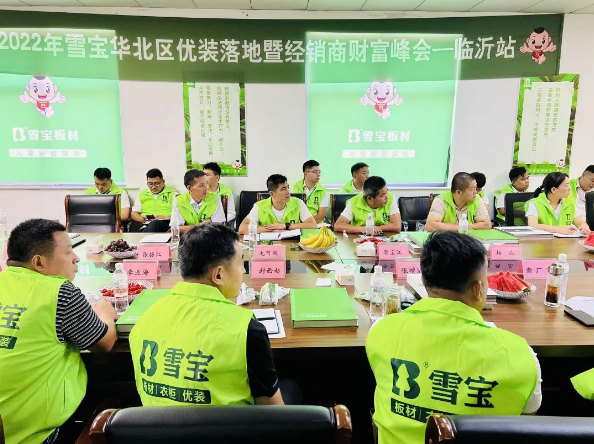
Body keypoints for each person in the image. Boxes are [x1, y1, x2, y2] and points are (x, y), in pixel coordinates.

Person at [366, 231, 542, 444]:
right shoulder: (521, 356)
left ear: (423, 280)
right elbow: (525, 425)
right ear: (478, 289)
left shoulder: (381, 330)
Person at [129, 224, 284, 406]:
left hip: (155, 424)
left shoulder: (146, 319)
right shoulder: (246, 329)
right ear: (218, 275)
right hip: (230, 425)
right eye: (241, 263)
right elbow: (273, 410)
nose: (243, 271)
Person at [0, 219, 116, 444]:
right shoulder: (60, 292)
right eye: (68, 251)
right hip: (37, 435)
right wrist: (106, 313)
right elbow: (104, 343)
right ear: (39, 262)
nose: (76, 258)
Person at [238, 174, 316, 234]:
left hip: (292, 243)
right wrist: (271, 229)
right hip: (268, 244)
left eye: (288, 187)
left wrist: (285, 226)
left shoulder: (298, 202)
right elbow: (242, 229)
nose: (288, 192)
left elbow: (312, 225)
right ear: (272, 193)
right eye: (283, 189)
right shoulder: (259, 206)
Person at [525, 172, 590, 235]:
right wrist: (559, 229)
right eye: (566, 186)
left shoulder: (569, 203)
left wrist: (584, 226)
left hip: (565, 241)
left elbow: (580, 222)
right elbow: (533, 225)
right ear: (553, 190)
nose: (570, 189)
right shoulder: (535, 203)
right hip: (543, 241)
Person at [426, 172, 491, 232]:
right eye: (472, 189)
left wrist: (466, 226)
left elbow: (487, 224)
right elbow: (430, 226)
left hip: (467, 238)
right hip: (446, 239)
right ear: (459, 192)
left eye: (476, 189)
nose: (476, 192)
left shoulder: (477, 199)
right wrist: (464, 227)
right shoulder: (441, 200)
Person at [334, 176, 401, 234]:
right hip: (360, 238)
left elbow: (397, 226)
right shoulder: (353, 202)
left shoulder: (391, 198)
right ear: (369, 198)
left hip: (386, 238)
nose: (387, 197)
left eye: (386, 192)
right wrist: (363, 229)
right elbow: (338, 226)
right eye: (382, 195)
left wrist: (374, 229)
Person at [171, 169, 226, 234]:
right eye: (201, 185)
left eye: (207, 183)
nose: (206, 188)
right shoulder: (179, 201)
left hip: (210, 236)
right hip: (188, 237)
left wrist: (188, 228)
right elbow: (176, 229)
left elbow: (219, 225)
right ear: (189, 188)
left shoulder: (215, 198)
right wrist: (204, 223)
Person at [130, 168, 178, 232]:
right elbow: (134, 213)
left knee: (155, 223)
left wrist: (166, 217)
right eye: (150, 184)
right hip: (145, 223)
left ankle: (143, 235)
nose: (153, 187)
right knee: (135, 225)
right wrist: (142, 219)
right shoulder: (142, 194)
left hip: (165, 223)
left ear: (163, 181)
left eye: (156, 183)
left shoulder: (173, 194)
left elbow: (179, 214)